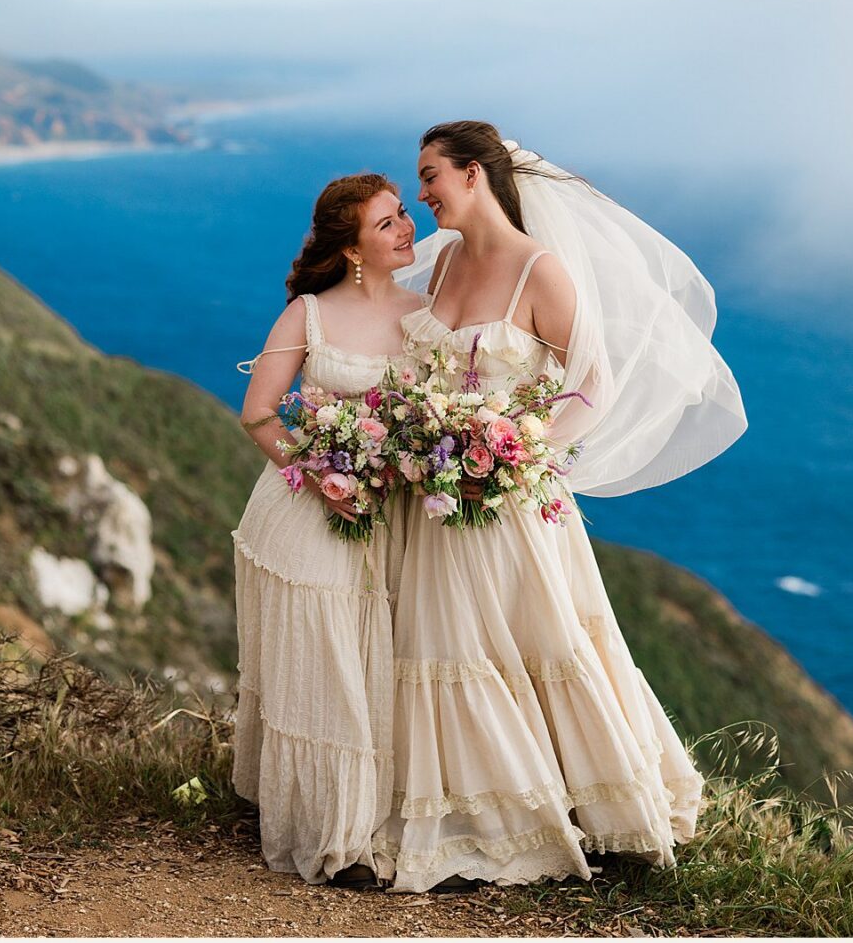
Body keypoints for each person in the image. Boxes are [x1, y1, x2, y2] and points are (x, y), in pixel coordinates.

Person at [373, 121, 748, 894]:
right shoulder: (441, 267)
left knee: (531, 648)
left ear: (473, 173)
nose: (421, 193)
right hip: (435, 500)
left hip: (507, 501)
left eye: (430, 175)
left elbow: (594, 384)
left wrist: (517, 454)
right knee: (447, 653)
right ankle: (473, 812)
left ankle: (578, 809)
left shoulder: (539, 270)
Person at [230, 173, 425, 889]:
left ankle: (383, 815)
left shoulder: (429, 313)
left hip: (400, 518)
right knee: (332, 667)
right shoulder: (308, 316)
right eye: (387, 224)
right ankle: (334, 831)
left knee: (390, 665)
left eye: (404, 214)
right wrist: (319, 476)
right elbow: (258, 413)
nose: (407, 228)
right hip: (310, 514)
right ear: (351, 248)